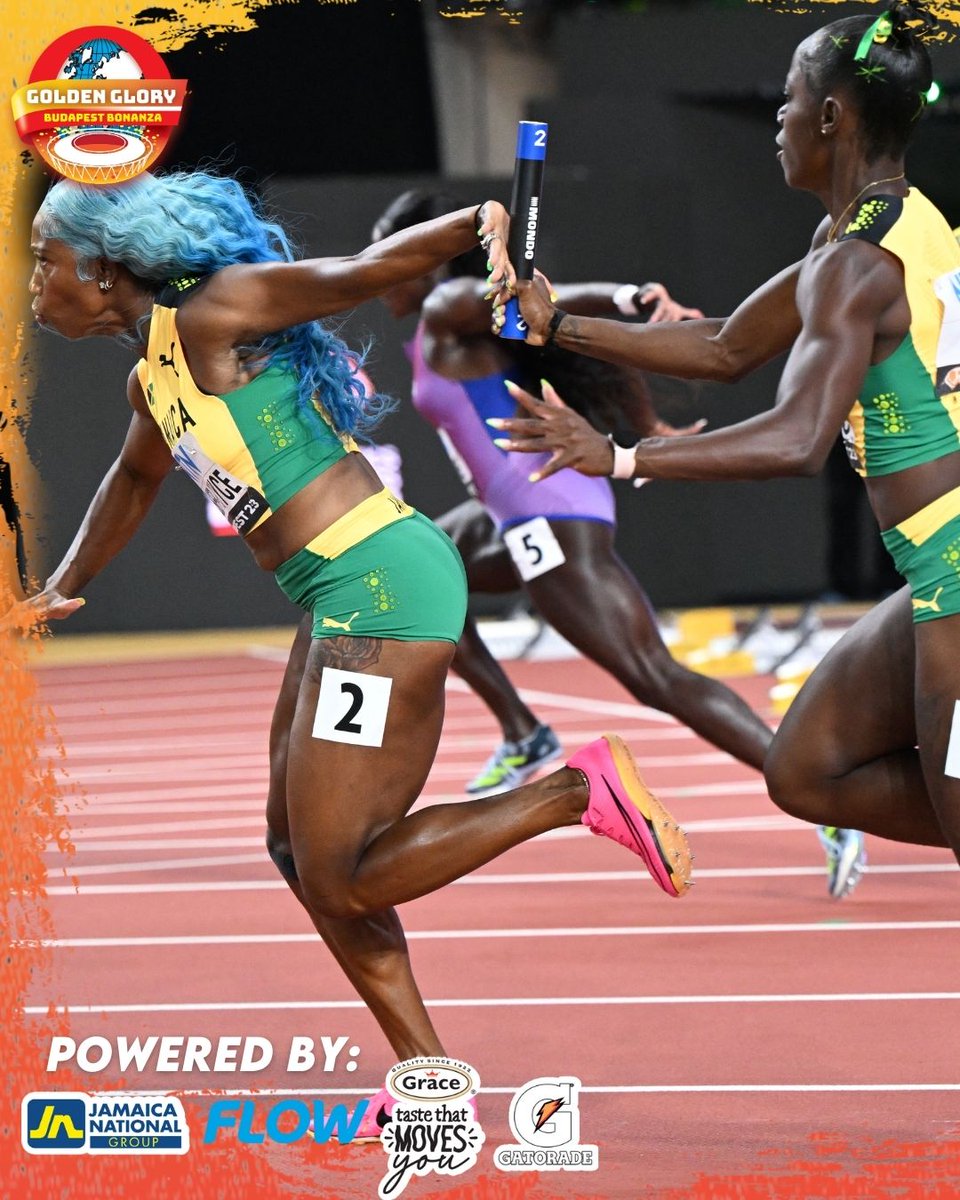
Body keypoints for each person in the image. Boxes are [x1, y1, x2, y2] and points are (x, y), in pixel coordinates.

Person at [24, 168, 693, 1141]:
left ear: (97, 266)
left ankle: (570, 791)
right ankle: (430, 1074)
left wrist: (477, 220)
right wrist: (57, 587)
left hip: (382, 585)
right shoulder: (156, 368)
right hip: (340, 594)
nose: (36, 282)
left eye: (45, 261)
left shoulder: (218, 311)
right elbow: (131, 479)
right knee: (298, 851)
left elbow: (360, 271)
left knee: (343, 871)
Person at [490, 4, 958, 876]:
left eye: (788, 98)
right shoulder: (875, 230)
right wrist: (556, 327)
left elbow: (793, 439)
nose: (775, 119)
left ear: (830, 116)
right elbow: (727, 345)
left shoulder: (855, 266)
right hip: (937, 564)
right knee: (806, 768)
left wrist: (624, 455)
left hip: (957, 567)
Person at [370, 189, 773, 786]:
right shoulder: (451, 329)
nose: (380, 276)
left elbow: (542, 304)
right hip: (518, 510)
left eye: (389, 257)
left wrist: (625, 297)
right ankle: (523, 733)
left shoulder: (448, 305)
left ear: (421, 257)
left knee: (653, 677)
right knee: (409, 574)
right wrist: (650, 418)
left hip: (548, 516)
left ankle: (802, 777)